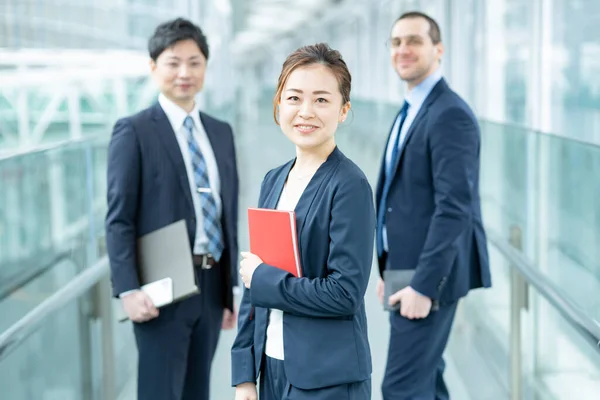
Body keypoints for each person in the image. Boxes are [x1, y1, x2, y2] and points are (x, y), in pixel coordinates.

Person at [231, 43, 375, 400]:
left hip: (326, 378)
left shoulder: (350, 186)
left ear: (343, 111)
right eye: (294, 98)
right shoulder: (274, 179)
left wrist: (263, 277)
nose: (305, 112)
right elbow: (255, 287)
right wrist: (244, 374)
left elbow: (344, 294)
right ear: (279, 104)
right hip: (273, 367)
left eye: (322, 100)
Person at [105, 17, 239, 400]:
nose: (185, 72)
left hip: (212, 286)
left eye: (194, 62)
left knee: (199, 391)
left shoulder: (220, 131)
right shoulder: (134, 131)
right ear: (153, 67)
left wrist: (230, 290)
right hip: (160, 289)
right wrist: (128, 289)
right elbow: (118, 219)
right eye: (173, 62)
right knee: (160, 392)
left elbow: (225, 210)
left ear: (205, 67)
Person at [375, 11, 492, 399]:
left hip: (428, 277)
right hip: (405, 267)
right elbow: (401, 199)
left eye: (414, 41)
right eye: (396, 42)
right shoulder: (411, 109)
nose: (402, 50)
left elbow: (454, 208)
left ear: (438, 50)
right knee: (426, 382)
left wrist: (422, 286)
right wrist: (388, 266)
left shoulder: (449, 114)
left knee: (400, 389)